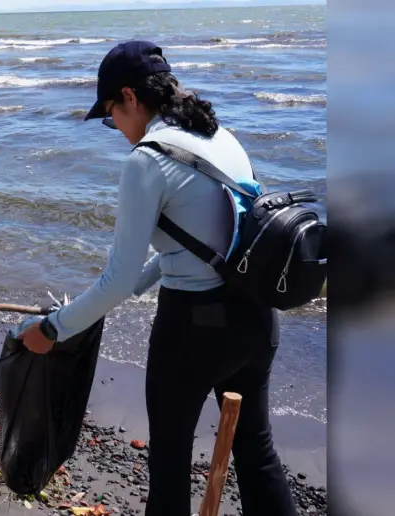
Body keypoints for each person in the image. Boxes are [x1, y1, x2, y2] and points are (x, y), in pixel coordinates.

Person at [18, 41, 297, 516]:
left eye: (111, 116)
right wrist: (145, 282)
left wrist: (52, 329)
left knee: (169, 462)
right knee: (257, 452)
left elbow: (116, 280)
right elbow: (217, 243)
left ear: (129, 97)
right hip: (256, 318)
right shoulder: (221, 136)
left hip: (193, 333)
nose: (117, 130)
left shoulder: (148, 159)